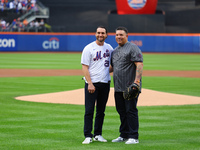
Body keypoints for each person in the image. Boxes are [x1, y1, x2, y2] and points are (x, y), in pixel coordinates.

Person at [110, 26, 143, 144]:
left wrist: (137, 82)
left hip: (130, 86)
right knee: (121, 111)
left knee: (131, 111)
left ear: (126, 36)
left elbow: (139, 65)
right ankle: (124, 135)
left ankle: (134, 136)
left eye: (121, 35)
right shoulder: (115, 51)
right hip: (118, 87)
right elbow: (113, 68)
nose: (119, 37)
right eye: (117, 35)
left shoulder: (133, 48)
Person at [81, 25, 113, 144]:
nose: (100, 35)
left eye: (103, 33)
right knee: (89, 110)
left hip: (105, 83)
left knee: (101, 111)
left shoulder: (109, 48)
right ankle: (88, 135)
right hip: (92, 83)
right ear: (95, 34)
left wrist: (106, 72)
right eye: (98, 33)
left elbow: (112, 65)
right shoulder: (89, 48)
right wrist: (89, 83)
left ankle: (98, 134)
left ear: (106, 35)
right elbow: (85, 67)